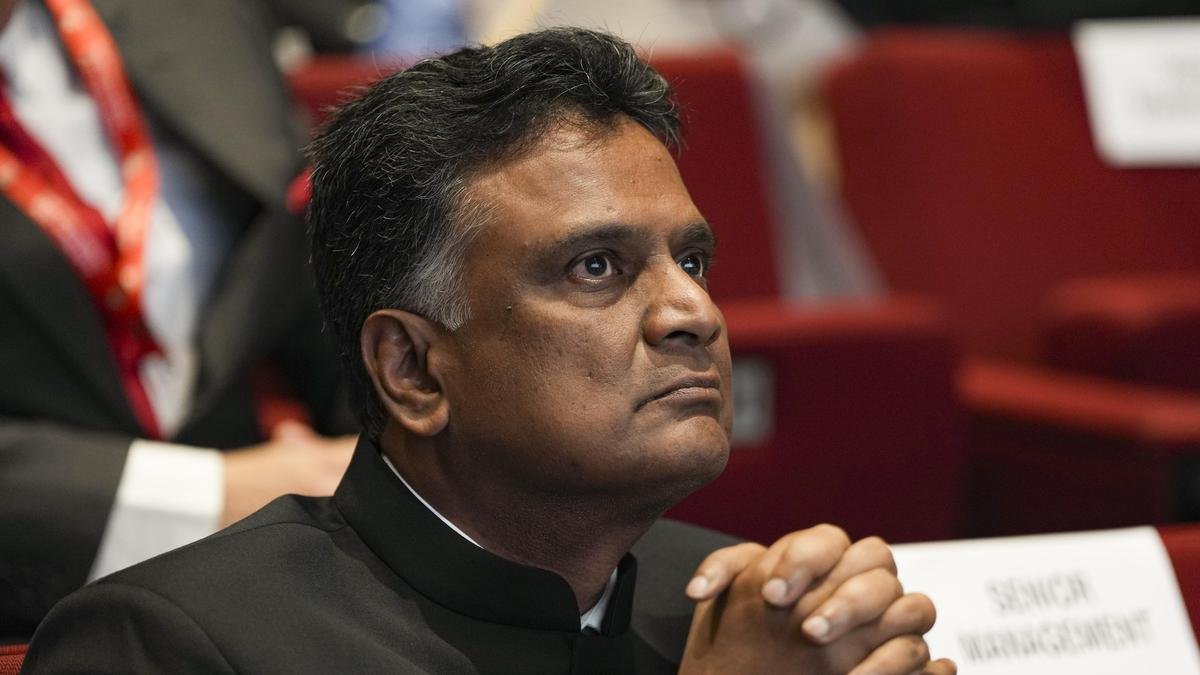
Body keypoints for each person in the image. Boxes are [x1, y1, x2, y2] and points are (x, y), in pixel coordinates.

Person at [23, 28, 955, 674]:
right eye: (597, 266)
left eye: (693, 259)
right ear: (412, 368)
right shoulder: (173, 645)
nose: (693, 313)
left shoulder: (745, 602)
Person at [0, 0, 356, 638]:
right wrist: (210, 494)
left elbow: (306, 262)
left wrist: (388, 459)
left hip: (306, 533)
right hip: (54, 604)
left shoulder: (191, 15)